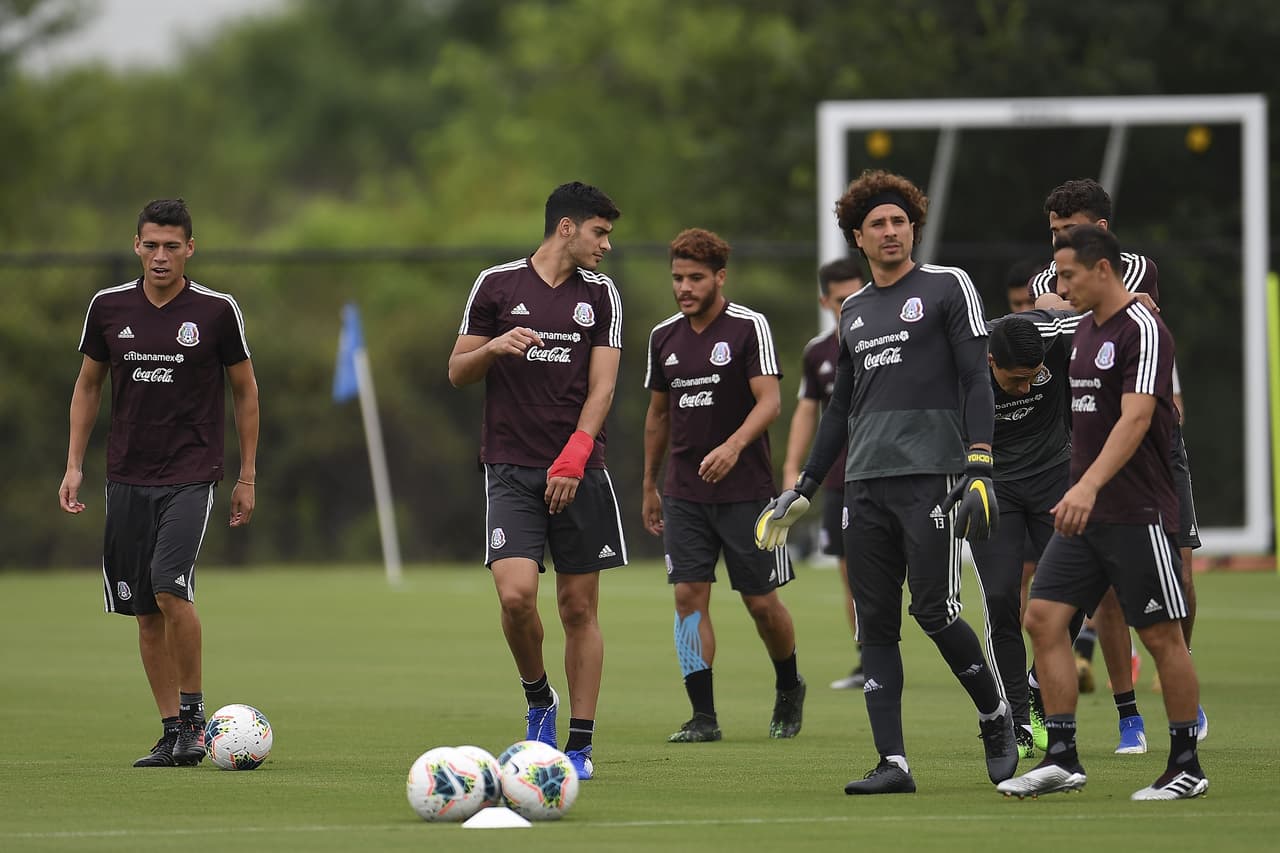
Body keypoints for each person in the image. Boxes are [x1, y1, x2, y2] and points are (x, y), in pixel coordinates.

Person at [755, 170, 1018, 794]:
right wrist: (805, 486)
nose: (891, 231)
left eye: (900, 221)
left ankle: (995, 713)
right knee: (873, 624)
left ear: (914, 228)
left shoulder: (948, 286)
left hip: (932, 477)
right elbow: (839, 408)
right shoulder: (853, 310)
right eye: (878, 223)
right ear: (858, 236)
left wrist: (980, 462)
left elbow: (976, 379)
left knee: (935, 611)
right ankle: (893, 763)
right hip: (864, 484)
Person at [998, 224, 1208, 800]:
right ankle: (1063, 758)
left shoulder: (1143, 327)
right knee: (1044, 619)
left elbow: (1136, 418)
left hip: (1136, 509)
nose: (1059, 289)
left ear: (1102, 270)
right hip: (1083, 509)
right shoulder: (1083, 330)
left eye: (1067, 276)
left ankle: (1186, 766)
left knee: (1161, 636)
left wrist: (1087, 486)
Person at [59, 198, 259, 768]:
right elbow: (88, 386)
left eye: (172, 246)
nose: (161, 256)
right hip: (126, 474)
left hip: (192, 474)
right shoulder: (108, 306)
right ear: (137, 246)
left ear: (190, 248)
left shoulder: (216, 311)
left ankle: (195, 722)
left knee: (170, 588)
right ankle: (172, 732)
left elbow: (245, 391)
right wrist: (74, 465)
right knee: (145, 611)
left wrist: (247, 475)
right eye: (151, 245)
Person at [447, 181, 626, 782]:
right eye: (600, 232)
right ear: (566, 228)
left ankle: (579, 746)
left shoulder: (601, 294)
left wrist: (575, 455)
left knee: (578, 608)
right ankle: (538, 698)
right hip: (510, 467)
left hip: (580, 471)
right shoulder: (496, 285)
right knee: (517, 596)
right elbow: (457, 371)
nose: (606, 245)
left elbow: (603, 387)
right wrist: (495, 347)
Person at [642, 228, 805, 743]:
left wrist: (733, 446)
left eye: (695, 277)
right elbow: (657, 416)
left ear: (719, 277)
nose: (684, 287)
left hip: (747, 493)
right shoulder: (663, 337)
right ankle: (703, 715)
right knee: (688, 597)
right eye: (677, 278)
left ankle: (788, 685)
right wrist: (649, 485)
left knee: (761, 603)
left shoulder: (748, 327)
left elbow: (770, 402)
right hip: (684, 493)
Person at [971, 310, 1080, 760]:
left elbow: (1100, 313)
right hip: (992, 484)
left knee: (1075, 591)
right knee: (1001, 597)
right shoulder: (964, 353)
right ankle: (1015, 718)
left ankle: (1037, 684)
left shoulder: (1057, 335)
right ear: (991, 361)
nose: (1025, 388)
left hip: (1055, 475)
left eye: (1034, 378)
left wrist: (1135, 303)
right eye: (1016, 380)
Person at [780, 258, 866, 691]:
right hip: (839, 482)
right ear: (825, 302)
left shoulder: (889, 336)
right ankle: (869, 658)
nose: (849, 305)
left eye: (856, 295)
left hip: (889, 475)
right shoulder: (817, 352)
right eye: (840, 300)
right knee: (851, 574)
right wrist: (792, 469)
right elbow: (806, 412)